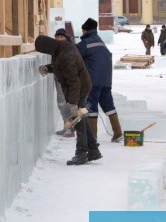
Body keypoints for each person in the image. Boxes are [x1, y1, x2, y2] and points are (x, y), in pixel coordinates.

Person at [35, 34, 94, 165]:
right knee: (81, 119)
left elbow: (74, 82)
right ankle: (93, 149)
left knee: (77, 121)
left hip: (80, 90)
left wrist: (73, 103)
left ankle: (81, 153)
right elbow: (59, 66)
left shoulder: (66, 55)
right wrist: (48, 68)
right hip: (79, 88)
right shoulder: (60, 49)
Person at [76, 18, 122, 146]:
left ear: (85, 30)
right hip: (106, 81)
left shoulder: (85, 43)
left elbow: (73, 54)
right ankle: (117, 132)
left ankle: (92, 138)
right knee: (109, 106)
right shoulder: (100, 42)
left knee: (91, 108)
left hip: (92, 81)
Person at [48, 28, 76, 137]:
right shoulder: (55, 50)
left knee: (68, 105)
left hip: (67, 81)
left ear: (66, 38)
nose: (59, 39)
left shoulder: (69, 49)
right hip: (59, 80)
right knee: (61, 105)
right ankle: (67, 127)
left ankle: (71, 129)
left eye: (61, 37)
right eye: (57, 37)